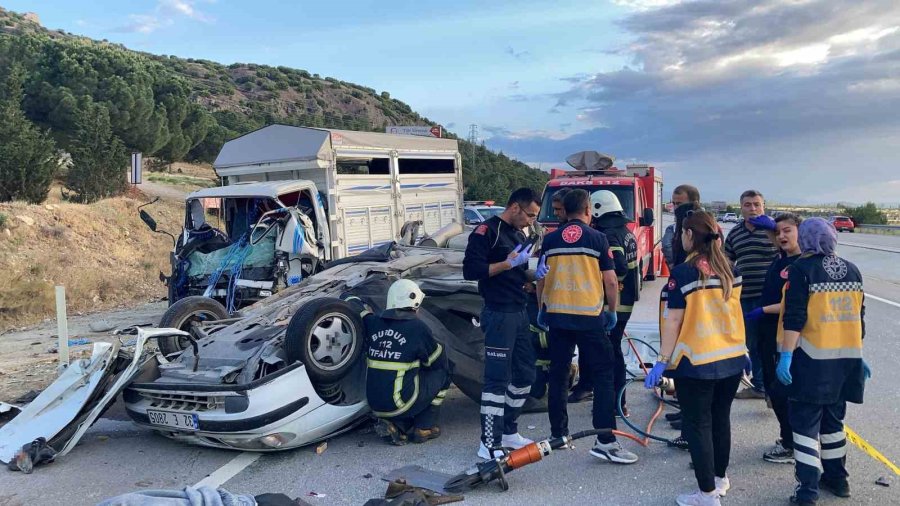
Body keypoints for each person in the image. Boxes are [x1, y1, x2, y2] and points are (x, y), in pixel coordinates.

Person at [644, 210, 747, 506]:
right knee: (720, 419)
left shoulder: (683, 273)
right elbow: (735, 314)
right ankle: (719, 479)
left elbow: (673, 321)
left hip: (697, 362)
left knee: (698, 424)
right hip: (731, 358)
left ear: (689, 235)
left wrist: (662, 360)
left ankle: (706, 495)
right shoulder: (729, 268)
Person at [536, 189, 639, 465]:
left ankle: (559, 434)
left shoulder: (550, 240)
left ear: (564, 211)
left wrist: (541, 309)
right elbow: (609, 279)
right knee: (604, 375)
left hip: (557, 316)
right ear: (587, 210)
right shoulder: (598, 238)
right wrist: (611, 311)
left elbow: (541, 278)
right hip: (590, 318)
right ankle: (604, 440)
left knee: (558, 375)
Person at [776, 218, 869, 506]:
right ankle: (838, 480)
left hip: (811, 362)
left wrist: (786, 356)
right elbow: (858, 319)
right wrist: (858, 356)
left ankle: (807, 492)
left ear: (805, 239)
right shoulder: (852, 270)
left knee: (804, 427)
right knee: (833, 424)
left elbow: (794, 317)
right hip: (844, 363)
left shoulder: (801, 270)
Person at [463, 187, 541, 460]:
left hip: (519, 311)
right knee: (496, 380)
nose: (531, 221)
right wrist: (506, 265)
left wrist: (533, 274)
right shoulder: (487, 232)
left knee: (525, 375)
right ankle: (488, 441)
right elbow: (471, 271)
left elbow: (518, 270)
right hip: (498, 313)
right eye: (529, 215)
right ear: (515, 207)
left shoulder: (519, 234)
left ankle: (508, 429)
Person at [568, 191, 639, 421]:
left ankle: (618, 403)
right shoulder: (625, 231)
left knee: (611, 354)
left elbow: (618, 268)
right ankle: (606, 396)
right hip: (624, 302)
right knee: (609, 351)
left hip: (613, 305)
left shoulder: (609, 234)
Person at [357, 280, 451, 445]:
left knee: (405, 376)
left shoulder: (372, 322)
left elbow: (356, 308)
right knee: (445, 372)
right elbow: (437, 364)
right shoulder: (417, 328)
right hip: (400, 402)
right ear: (414, 304)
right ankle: (424, 426)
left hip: (374, 403)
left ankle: (399, 426)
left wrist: (348, 295)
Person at [744, 213, 803, 464]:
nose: (781, 236)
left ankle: (791, 445)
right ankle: (788, 437)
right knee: (772, 386)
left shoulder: (801, 265)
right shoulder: (782, 259)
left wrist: (763, 310)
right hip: (769, 332)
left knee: (781, 392)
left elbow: (795, 304)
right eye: (778, 232)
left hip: (785, 337)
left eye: (787, 231)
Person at [724, 190, 778, 398]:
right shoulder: (735, 233)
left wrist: (773, 230)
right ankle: (760, 385)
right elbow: (727, 262)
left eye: (757, 204)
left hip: (772, 298)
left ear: (764, 206)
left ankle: (776, 387)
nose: (753, 209)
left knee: (773, 343)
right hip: (745, 298)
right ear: (741, 208)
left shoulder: (774, 230)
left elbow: (789, 253)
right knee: (752, 343)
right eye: (748, 205)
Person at [663, 185, 701, 268]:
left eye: (679, 204)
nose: (676, 207)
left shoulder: (709, 227)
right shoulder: (672, 229)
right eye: (674, 203)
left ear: (695, 203)